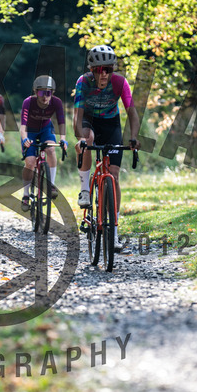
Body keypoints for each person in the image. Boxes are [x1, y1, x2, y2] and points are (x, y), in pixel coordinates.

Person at [73, 45, 141, 250]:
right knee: (88, 139)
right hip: (89, 121)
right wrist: (80, 137)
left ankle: (114, 232)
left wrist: (134, 137)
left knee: (114, 174)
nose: (103, 74)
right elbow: (77, 117)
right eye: (99, 70)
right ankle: (85, 191)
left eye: (108, 69)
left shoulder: (120, 82)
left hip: (111, 125)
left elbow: (132, 113)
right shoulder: (83, 82)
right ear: (91, 70)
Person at [19, 75, 67, 211]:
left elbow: (61, 122)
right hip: (30, 131)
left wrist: (63, 138)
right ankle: (26, 194)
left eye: (48, 93)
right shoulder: (28, 102)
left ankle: (51, 185)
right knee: (30, 162)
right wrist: (25, 139)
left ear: (52, 93)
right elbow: (23, 126)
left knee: (51, 149)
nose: (45, 97)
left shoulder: (56, 102)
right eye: (41, 93)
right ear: (35, 92)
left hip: (46, 129)